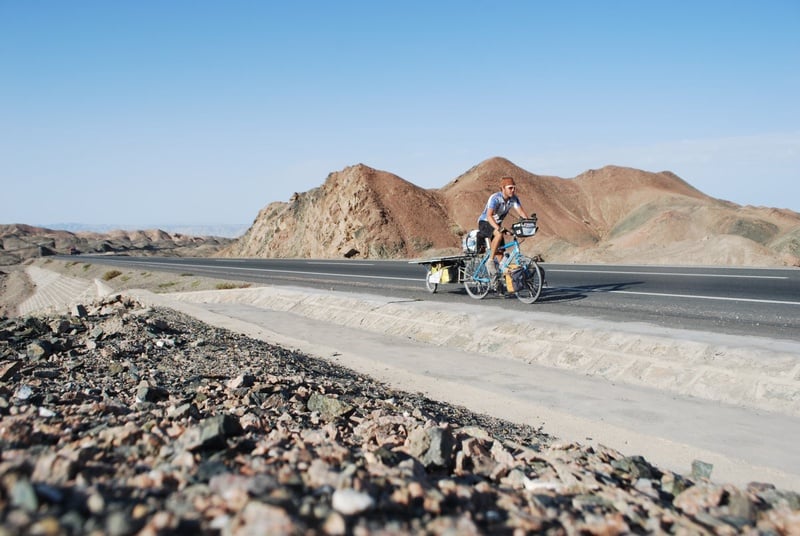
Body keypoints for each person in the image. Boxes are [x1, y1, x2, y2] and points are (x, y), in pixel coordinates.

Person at [477, 176, 531, 284]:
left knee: (501, 254)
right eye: (510, 188)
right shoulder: (495, 198)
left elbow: (521, 212)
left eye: (514, 188)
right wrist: (499, 228)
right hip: (485, 222)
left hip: (496, 224)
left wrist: (529, 222)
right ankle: (490, 261)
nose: (513, 190)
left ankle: (497, 282)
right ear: (503, 188)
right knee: (499, 234)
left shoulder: (514, 199)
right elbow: (489, 216)